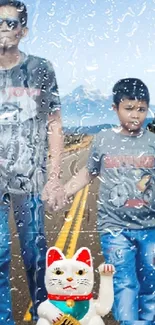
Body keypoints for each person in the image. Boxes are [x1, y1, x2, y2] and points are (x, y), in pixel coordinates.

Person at [50, 78, 155, 323]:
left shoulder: (152, 142)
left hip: (150, 228)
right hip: (113, 227)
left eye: (141, 109)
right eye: (128, 108)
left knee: (150, 281)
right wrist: (64, 191)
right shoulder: (103, 139)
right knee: (124, 281)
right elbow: (89, 172)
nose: (135, 115)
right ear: (115, 108)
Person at [0, 1, 64, 324]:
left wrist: (53, 176)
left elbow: (54, 123)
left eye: (9, 22)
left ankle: (46, 316)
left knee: (35, 256)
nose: (1, 27)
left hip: (29, 178)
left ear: (23, 31)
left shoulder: (41, 68)